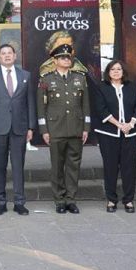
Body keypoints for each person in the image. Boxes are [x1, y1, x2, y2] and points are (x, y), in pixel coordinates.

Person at [0, 44, 37, 216]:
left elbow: (30, 103)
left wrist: (31, 127)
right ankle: (0, 202)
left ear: (15, 56)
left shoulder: (25, 75)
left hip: (19, 127)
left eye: (9, 53)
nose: (6, 56)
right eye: (3, 53)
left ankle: (19, 202)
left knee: (18, 166)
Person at [37, 43, 90, 214]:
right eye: (62, 57)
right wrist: (44, 130)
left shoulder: (80, 78)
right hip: (55, 129)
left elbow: (86, 106)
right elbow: (41, 107)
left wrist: (86, 128)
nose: (66, 60)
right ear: (55, 60)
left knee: (74, 166)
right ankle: (59, 200)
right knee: (57, 166)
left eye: (68, 57)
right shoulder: (46, 79)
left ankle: (71, 199)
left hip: (75, 128)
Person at [93, 60, 136, 213]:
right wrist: (119, 125)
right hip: (108, 133)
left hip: (130, 133)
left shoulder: (132, 87)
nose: (116, 71)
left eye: (119, 69)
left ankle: (128, 200)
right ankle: (111, 200)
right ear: (108, 72)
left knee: (129, 167)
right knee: (110, 167)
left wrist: (130, 124)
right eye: (112, 69)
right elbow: (101, 109)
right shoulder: (101, 87)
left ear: (123, 71)